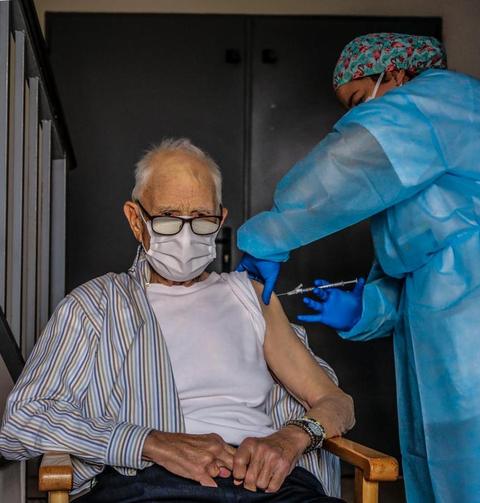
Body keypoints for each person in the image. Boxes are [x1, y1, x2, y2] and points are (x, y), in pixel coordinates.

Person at [235, 33, 480, 502]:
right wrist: (364, 309)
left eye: (359, 101)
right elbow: (427, 276)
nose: (357, 120)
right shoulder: (435, 172)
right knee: (478, 471)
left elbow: (343, 167)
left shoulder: (442, 100)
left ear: (395, 74)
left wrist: (269, 234)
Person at [0, 139, 354, 502]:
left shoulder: (251, 297)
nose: (186, 237)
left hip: (268, 484)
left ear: (221, 220)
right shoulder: (96, 306)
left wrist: (290, 438)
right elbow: (23, 420)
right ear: (136, 220)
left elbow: (337, 402)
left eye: (201, 220)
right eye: (168, 219)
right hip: (149, 483)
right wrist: (153, 443)